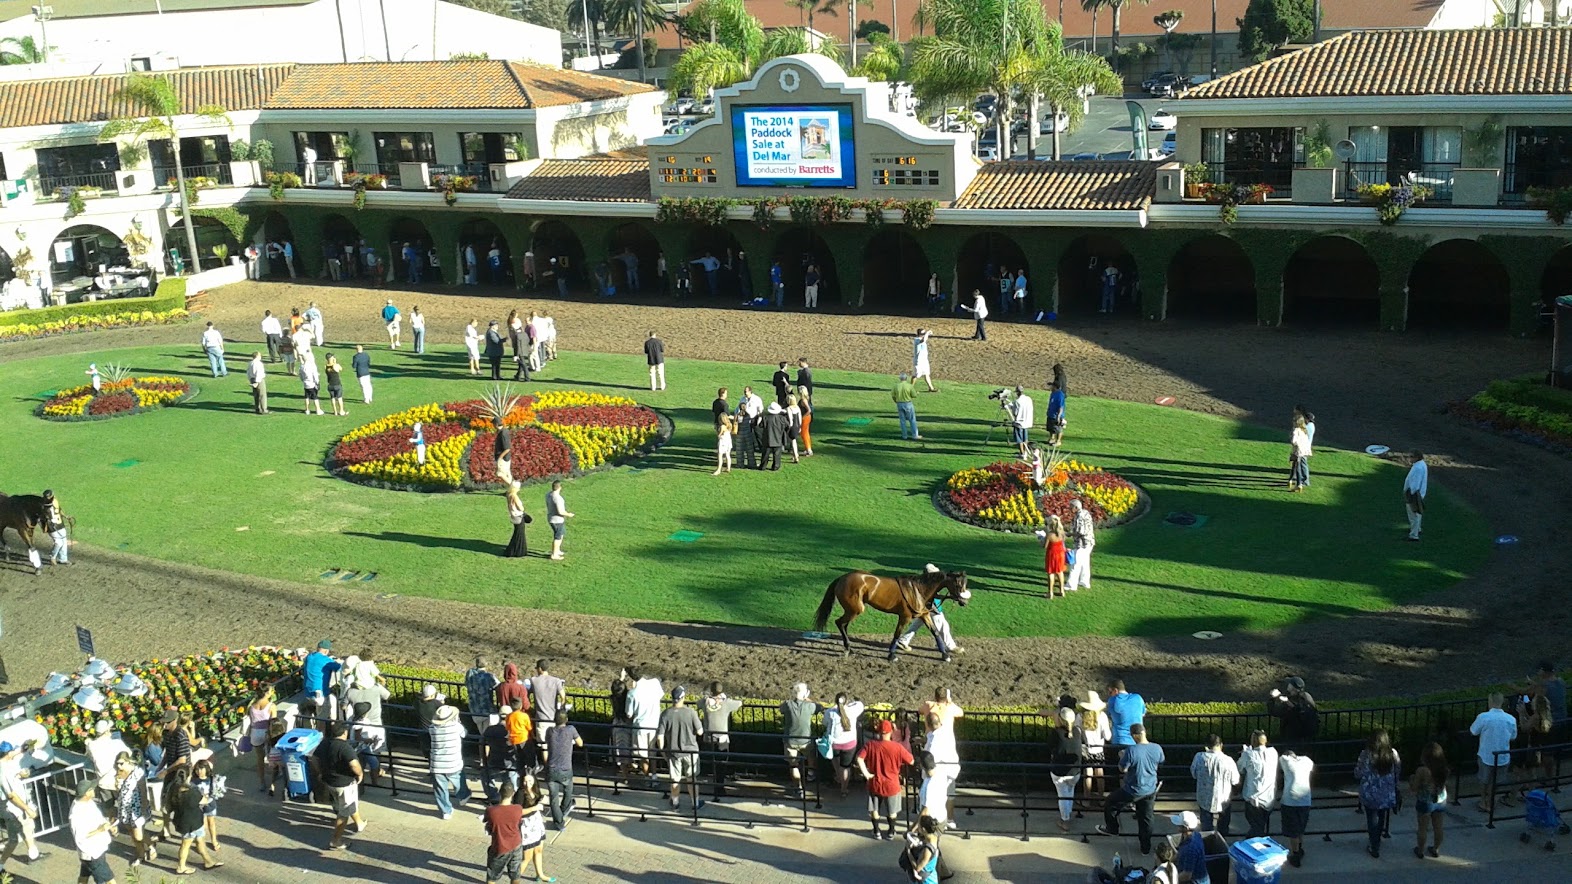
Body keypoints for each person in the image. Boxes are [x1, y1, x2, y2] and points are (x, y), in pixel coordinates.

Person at [1096, 722, 1163, 854]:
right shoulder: (1157, 748)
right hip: (1150, 788)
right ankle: (1145, 848)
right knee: (1146, 818)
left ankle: (1112, 828)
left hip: (1132, 789)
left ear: (1134, 736)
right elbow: (1160, 762)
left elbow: (1122, 769)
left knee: (1111, 803)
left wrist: (1122, 756)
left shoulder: (1131, 750)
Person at [855, 718, 912, 840]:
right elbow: (911, 761)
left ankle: (876, 831)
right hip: (892, 784)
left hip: (875, 782)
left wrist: (866, 774)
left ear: (879, 732)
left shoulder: (870, 745)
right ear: (891, 732)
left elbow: (859, 758)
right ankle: (891, 831)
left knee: (874, 809)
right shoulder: (897, 747)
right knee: (892, 810)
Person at [1354, 729, 1401, 859]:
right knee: (1381, 818)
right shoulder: (1393, 754)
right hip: (1386, 793)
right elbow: (1397, 772)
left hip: (1370, 793)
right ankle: (1377, 841)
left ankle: (1374, 845)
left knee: (1371, 818)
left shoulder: (1366, 754)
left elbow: (1358, 772)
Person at [656, 686, 704, 811]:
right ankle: (695, 803)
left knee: (675, 780)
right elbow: (700, 732)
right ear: (683, 697)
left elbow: (660, 737)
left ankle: (675, 803)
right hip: (691, 752)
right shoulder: (691, 712)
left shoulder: (665, 714)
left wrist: (662, 752)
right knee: (692, 779)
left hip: (673, 753)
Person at [166, 767, 220, 874]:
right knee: (186, 844)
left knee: (200, 840)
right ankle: (181, 867)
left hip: (181, 820)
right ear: (189, 777)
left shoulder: (173, 789)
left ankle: (208, 861)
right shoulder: (192, 792)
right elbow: (204, 801)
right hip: (193, 823)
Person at [1471, 693, 1517, 813]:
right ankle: (1491, 801)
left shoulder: (1483, 717)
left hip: (1486, 754)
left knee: (1484, 779)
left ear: (1490, 701)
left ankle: (1483, 801)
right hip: (1502, 755)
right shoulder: (1511, 719)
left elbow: (1474, 731)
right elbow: (1513, 736)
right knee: (1495, 782)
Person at [69, 778, 117, 884]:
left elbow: (98, 818)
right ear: (87, 793)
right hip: (92, 853)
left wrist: (109, 826)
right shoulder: (77, 813)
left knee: (84, 876)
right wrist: (99, 830)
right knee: (109, 880)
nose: (94, 790)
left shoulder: (89, 802)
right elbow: (80, 836)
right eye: (92, 789)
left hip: (96, 850)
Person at [0, 741, 39, 868]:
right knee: (22, 831)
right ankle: (33, 854)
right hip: (13, 809)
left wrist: (20, 774)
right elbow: (11, 795)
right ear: (8, 753)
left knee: (16, 837)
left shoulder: (6, 763)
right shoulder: (3, 770)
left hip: (13, 808)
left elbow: (17, 752)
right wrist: (27, 809)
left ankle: (1, 865)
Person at [1190, 733, 1239, 836]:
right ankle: (1222, 845)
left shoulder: (1199, 757)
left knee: (1206, 829)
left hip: (1204, 797)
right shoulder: (1228, 760)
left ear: (1206, 746)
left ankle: (1208, 848)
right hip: (1223, 798)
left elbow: (1193, 774)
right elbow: (1235, 780)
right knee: (1223, 827)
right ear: (1221, 745)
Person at [429, 705, 472, 819]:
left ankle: (446, 811)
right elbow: (465, 733)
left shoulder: (432, 728)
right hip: (453, 762)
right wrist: (458, 722)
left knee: (440, 789)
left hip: (437, 764)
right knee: (459, 781)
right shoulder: (456, 726)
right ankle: (463, 797)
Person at [110, 751, 152, 866]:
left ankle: (151, 844)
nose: (119, 766)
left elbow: (143, 791)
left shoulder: (138, 773)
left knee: (138, 834)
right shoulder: (119, 773)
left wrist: (144, 809)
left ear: (128, 761)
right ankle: (141, 854)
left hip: (137, 808)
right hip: (125, 808)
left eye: (121, 763)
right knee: (132, 834)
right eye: (117, 763)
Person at [701, 683, 744, 792]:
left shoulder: (705, 702)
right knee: (722, 763)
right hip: (722, 739)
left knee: (714, 763)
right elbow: (740, 703)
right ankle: (719, 787)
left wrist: (708, 697)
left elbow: (698, 703)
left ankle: (716, 785)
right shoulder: (726, 703)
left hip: (708, 738)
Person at [1046, 706, 1083, 832]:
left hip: (1059, 771)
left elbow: (1050, 746)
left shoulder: (1056, 733)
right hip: (1075, 771)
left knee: (1062, 795)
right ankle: (1067, 814)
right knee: (1069, 792)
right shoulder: (1078, 731)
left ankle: (1065, 820)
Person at [542, 710, 581, 828]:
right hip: (565, 768)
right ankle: (564, 809)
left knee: (553, 798)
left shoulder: (550, 731)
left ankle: (559, 822)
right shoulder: (571, 730)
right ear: (567, 720)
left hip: (551, 768)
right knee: (568, 790)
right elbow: (580, 743)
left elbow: (547, 742)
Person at [1237, 729, 1278, 838]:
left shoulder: (1248, 755)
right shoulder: (1273, 753)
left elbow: (1240, 768)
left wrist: (1244, 753)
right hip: (1269, 798)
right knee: (1260, 825)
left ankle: (1253, 848)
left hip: (1253, 798)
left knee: (1256, 828)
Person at [780, 683, 818, 799]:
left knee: (793, 765)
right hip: (805, 740)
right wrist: (807, 699)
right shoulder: (809, 706)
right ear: (805, 693)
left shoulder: (787, 705)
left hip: (790, 741)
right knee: (811, 755)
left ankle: (798, 788)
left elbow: (780, 708)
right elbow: (819, 707)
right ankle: (811, 772)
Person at [1411, 742, 1449, 860]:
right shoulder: (1445, 769)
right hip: (1441, 799)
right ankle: (1436, 849)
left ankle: (1420, 850)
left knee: (1422, 827)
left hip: (1425, 801)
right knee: (1438, 826)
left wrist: (1411, 780)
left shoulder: (1423, 770)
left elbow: (1414, 788)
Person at [823, 693, 865, 797]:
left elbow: (824, 723)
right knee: (845, 767)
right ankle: (844, 789)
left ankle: (839, 777)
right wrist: (852, 702)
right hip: (849, 743)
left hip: (834, 743)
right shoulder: (853, 710)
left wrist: (834, 707)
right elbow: (860, 704)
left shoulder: (830, 712)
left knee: (835, 759)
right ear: (846, 701)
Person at [483, 782, 525, 884]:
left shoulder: (491, 810)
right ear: (513, 793)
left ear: (500, 793)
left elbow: (486, 821)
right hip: (516, 845)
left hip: (499, 847)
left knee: (492, 876)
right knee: (515, 874)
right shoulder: (518, 809)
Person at [626, 667, 664, 780]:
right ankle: (654, 776)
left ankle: (647, 777)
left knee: (643, 755)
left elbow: (628, 713)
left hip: (640, 727)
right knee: (652, 753)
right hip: (654, 724)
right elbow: (661, 695)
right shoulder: (655, 683)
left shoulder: (632, 693)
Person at [516, 772, 554, 882]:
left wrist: (542, 800)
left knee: (538, 850)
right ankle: (515, 880)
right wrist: (535, 808)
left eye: (530, 781)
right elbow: (518, 812)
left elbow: (537, 802)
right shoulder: (520, 793)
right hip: (526, 825)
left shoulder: (535, 790)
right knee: (526, 858)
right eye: (525, 781)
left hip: (536, 822)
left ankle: (540, 874)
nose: (528, 784)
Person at [1279, 748, 1313, 867]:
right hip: (1305, 799)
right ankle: (1300, 847)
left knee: (1292, 830)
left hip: (1290, 800)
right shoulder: (1307, 761)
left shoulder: (1285, 760)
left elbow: (1283, 758)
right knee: (1300, 827)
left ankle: (1295, 854)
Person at [1267, 676, 1319, 749]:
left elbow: (1274, 712)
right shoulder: (1307, 699)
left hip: (1291, 740)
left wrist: (1272, 699)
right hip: (1307, 740)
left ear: (1292, 687)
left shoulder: (1289, 705)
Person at [1078, 691, 1112, 798]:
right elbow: (1108, 736)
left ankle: (1086, 799)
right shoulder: (1102, 716)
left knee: (1087, 774)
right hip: (1099, 749)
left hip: (1086, 748)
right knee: (1100, 774)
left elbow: (1077, 732)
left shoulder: (1080, 716)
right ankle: (1101, 798)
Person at [529, 660, 565, 748]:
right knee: (554, 745)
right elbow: (563, 697)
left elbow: (527, 695)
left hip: (541, 718)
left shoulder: (533, 680)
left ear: (540, 669)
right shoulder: (556, 681)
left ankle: (546, 762)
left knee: (544, 747)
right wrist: (560, 710)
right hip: (554, 718)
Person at [1169, 810, 1210, 884]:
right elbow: (1179, 852)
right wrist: (1169, 862)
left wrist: (1169, 880)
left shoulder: (1190, 848)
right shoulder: (1194, 835)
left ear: (1186, 828)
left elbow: (1187, 875)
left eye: (1180, 824)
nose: (1177, 825)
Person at [1066, 499, 1095, 591]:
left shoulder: (1079, 516)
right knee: (1085, 563)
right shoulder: (1086, 512)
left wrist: (1070, 534)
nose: (1070, 509)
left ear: (1076, 507)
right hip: (1089, 542)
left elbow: (1080, 532)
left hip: (1082, 544)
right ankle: (1085, 581)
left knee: (1075, 564)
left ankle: (1071, 585)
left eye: (1071, 507)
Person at [904, 814, 942, 884]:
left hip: (926, 880)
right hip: (932, 875)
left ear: (923, 829)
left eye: (919, 827)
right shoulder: (935, 837)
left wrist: (908, 851)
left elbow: (918, 868)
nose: (917, 829)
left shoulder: (927, 850)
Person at [1039, 514, 1067, 598]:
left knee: (1051, 572)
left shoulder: (1050, 535)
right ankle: (1062, 591)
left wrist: (1041, 539)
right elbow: (1063, 542)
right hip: (1061, 554)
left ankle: (1050, 593)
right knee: (1060, 572)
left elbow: (1045, 546)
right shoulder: (1062, 533)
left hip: (1052, 555)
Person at [545, 480, 573, 561]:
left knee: (561, 534)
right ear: (560, 487)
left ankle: (557, 550)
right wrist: (569, 514)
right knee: (557, 537)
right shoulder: (558, 498)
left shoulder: (548, 495)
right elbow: (561, 511)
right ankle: (554, 554)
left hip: (551, 518)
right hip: (557, 520)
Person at [1403, 452, 1428, 541]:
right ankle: (1418, 529)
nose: (1409, 458)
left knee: (1413, 514)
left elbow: (1415, 483)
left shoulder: (1417, 468)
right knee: (1417, 513)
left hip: (1414, 494)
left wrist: (1411, 493)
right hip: (1419, 493)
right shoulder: (1422, 464)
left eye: (1411, 456)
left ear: (1416, 457)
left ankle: (1414, 535)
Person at [42, 488, 70, 566]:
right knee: (58, 542)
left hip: (60, 524)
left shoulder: (55, 501)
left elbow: (59, 509)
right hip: (51, 526)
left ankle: (63, 559)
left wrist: (66, 516)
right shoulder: (44, 506)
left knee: (64, 541)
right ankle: (52, 557)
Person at [759, 401, 790, 471]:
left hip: (767, 439)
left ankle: (763, 466)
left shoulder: (765, 418)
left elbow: (760, 425)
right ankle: (775, 466)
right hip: (778, 439)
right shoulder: (782, 418)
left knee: (765, 455)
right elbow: (788, 426)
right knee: (777, 455)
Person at [503, 482, 531, 558]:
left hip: (513, 516)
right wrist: (523, 508)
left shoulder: (508, 494)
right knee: (519, 534)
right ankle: (518, 551)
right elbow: (520, 508)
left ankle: (515, 550)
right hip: (518, 516)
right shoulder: (514, 496)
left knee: (517, 533)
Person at [893, 372, 920, 441]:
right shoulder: (909, 386)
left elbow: (893, 395)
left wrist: (896, 401)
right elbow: (914, 395)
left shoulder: (896, 386)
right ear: (906, 378)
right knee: (912, 420)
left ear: (900, 378)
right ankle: (915, 435)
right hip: (908, 404)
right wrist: (916, 393)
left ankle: (904, 436)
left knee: (902, 421)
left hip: (899, 404)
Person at [1011, 385, 1034, 460]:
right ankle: (1026, 452)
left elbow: (1015, 413)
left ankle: (1022, 453)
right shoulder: (1028, 399)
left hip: (1019, 422)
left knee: (1019, 439)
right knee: (1025, 438)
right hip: (1027, 422)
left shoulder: (1017, 401)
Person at [1288, 416, 1311, 492]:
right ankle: (1292, 481)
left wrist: (1295, 443)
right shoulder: (1304, 430)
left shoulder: (1296, 430)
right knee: (1296, 465)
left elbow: (1294, 441)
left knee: (1297, 467)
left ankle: (1298, 484)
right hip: (1304, 451)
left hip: (1298, 451)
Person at [1046, 380, 1067, 447]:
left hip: (1056, 415)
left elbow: (1061, 406)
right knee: (1051, 428)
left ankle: (1058, 441)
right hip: (1051, 414)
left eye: (1051, 386)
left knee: (1058, 428)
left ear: (1055, 386)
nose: (1050, 387)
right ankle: (1052, 438)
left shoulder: (1060, 395)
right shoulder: (1053, 393)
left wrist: (1058, 416)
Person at [797, 385, 815, 457]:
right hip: (807, 417)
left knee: (804, 433)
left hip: (805, 418)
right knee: (805, 433)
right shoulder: (805, 398)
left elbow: (809, 410)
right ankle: (808, 448)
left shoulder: (803, 400)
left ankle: (809, 450)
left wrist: (802, 417)